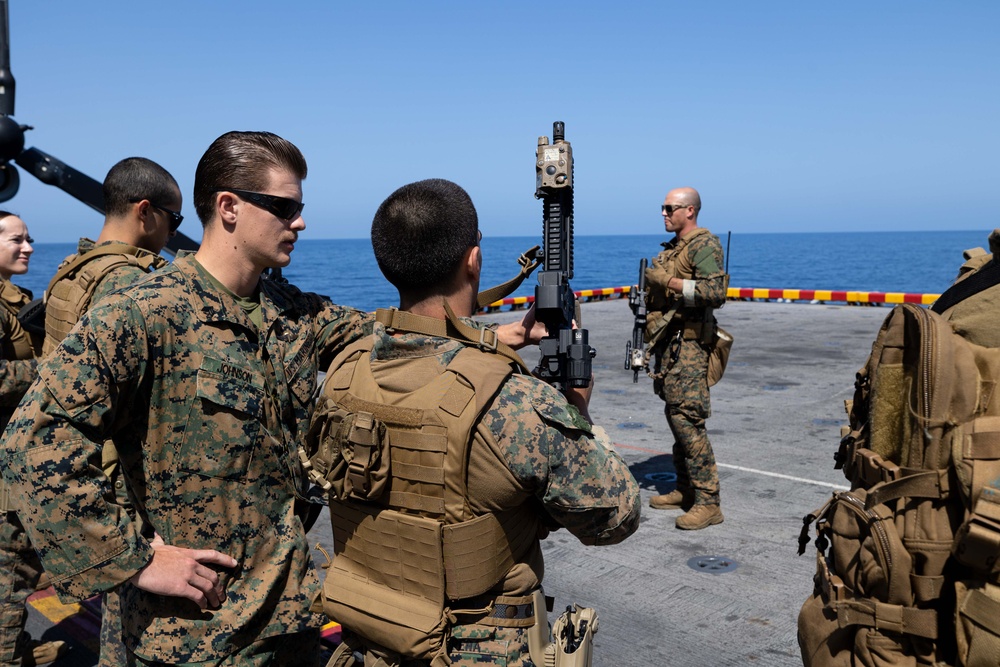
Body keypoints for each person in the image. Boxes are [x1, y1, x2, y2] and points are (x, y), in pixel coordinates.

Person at [306, 178, 641, 667]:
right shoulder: (514, 402)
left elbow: (426, 352)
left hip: (369, 638)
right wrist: (579, 410)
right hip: (472, 651)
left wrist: (497, 338)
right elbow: (615, 518)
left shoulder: (342, 374)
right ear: (473, 260)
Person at [38, 156, 182, 667]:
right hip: (113, 469)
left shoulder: (73, 268)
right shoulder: (125, 282)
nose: (175, 234)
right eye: (175, 220)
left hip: (74, 447)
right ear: (146, 212)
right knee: (132, 620)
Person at [0, 212, 66, 667]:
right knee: (8, 574)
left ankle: (17, 647)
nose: (28, 247)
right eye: (16, 240)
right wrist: (50, 368)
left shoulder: (14, 300)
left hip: (17, 455)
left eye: (30, 239)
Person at [644, 187, 727, 530]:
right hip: (671, 345)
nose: (663, 213)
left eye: (670, 208)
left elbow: (715, 292)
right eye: (662, 207)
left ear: (689, 210)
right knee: (674, 414)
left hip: (691, 346)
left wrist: (670, 281)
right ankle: (685, 488)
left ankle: (709, 502)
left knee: (687, 420)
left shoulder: (704, 245)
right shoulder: (676, 248)